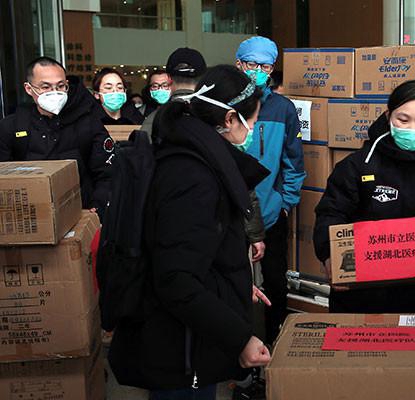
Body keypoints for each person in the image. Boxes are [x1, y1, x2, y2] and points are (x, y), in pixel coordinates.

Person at [108, 65, 272, 399]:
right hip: (180, 350)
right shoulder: (193, 176)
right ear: (229, 119)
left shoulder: (197, 155)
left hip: (189, 340)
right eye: (252, 121)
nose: (253, 130)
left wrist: (235, 285)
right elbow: (176, 280)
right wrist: (240, 339)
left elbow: (199, 253)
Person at [313, 80, 415, 314]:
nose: (412, 129)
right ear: (388, 116)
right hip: (363, 294)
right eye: (403, 120)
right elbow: (331, 213)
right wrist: (329, 254)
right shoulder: (358, 166)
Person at [236, 36, 306, 344]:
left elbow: (294, 162)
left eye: (265, 66)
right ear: (239, 64)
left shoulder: (283, 109)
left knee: (276, 284)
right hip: (231, 214)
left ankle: (276, 341)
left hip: (271, 213)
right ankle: (237, 347)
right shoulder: (224, 106)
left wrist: (285, 203)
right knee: (232, 283)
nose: (258, 71)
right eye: (252, 64)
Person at [0, 56, 112, 213]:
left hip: (82, 210)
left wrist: (97, 205)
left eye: (60, 86)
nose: (55, 92)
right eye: (45, 87)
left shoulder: (87, 122)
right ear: (29, 89)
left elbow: (106, 172)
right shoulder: (12, 126)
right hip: (32, 213)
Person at [141, 47, 206, 139]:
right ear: (203, 78)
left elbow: (143, 145)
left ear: (169, 78)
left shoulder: (155, 119)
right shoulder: (213, 116)